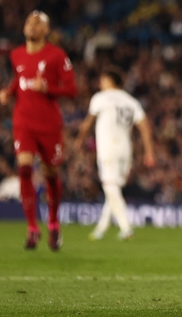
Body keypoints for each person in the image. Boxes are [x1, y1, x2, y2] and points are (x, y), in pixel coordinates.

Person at [0, 10, 77, 251]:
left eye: (37, 22)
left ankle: (53, 223)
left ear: (46, 30)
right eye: (29, 22)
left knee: (51, 175)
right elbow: (19, 78)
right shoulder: (16, 55)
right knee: (24, 169)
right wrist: (8, 93)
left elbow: (72, 90)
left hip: (49, 124)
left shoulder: (56, 55)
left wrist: (48, 88)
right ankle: (32, 228)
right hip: (23, 122)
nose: (32, 25)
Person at [74, 67, 155, 241]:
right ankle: (101, 229)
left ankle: (126, 228)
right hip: (125, 149)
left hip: (108, 148)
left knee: (110, 188)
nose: (100, 83)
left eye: (103, 80)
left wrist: (80, 140)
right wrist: (149, 151)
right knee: (114, 189)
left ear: (111, 81)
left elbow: (87, 123)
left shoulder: (100, 98)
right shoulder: (131, 101)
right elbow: (144, 126)